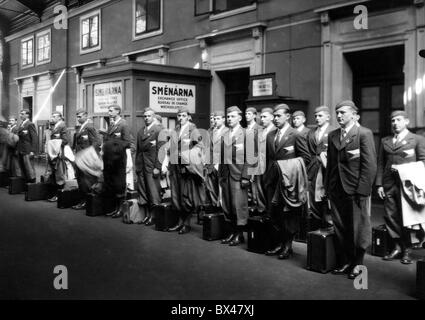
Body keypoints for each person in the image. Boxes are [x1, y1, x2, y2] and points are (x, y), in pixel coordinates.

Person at [325, 100, 377, 279]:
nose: (339, 116)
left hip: (355, 189)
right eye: (337, 112)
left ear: (354, 114)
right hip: (336, 188)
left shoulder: (363, 134)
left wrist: (363, 190)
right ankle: (347, 261)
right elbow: (331, 165)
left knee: (358, 227)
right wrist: (327, 188)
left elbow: (369, 165)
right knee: (340, 226)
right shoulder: (332, 136)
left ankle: (358, 263)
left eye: (343, 112)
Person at [376, 110, 425, 264]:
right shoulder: (386, 141)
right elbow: (380, 164)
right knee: (391, 216)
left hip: (409, 186)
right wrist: (379, 185)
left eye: (398, 120)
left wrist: (405, 170)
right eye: (393, 121)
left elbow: (423, 162)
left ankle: (408, 250)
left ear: (406, 121)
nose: (395, 123)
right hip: (389, 184)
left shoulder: (417, 139)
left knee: (408, 217)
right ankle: (397, 247)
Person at [264, 104, 310, 259]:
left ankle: (288, 246)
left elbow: (306, 158)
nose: (275, 119)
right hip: (272, 180)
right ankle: (278, 244)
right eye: (274, 116)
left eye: (278, 116)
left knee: (288, 215)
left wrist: (288, 168)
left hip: (288, 182)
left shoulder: (296, 135)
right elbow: (267, 158)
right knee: (274, 213)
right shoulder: (270, 135)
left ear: (288, 116)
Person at [167, 106, 206, 234]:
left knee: (185, 196)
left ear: (188, 116)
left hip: (186, 168)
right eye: (179, 116)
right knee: (176, 195)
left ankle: (187, 223)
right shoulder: (176, 130)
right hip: (175, 167)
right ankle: (179, 222)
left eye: (184, 115)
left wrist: (185, 154)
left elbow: (200, 147)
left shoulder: (193, 130)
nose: (181, 118)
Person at [219, 106, 250, 246]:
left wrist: (246, 177)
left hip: (238, 175)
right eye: (228, 117)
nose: (230, 119)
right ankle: (232, 232)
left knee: (238, 205)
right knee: (228, 205)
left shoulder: (246, 133)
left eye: (232, 116)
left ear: (240, 117)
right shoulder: (225, 134)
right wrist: (220, 175)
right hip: (226, 175)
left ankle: (239, 234)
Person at [306, 106, 335, 228]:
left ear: (328, 117)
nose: (317, 118)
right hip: (313, 168)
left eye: (320, 116)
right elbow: (308, 150)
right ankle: (317, 230)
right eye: (316, 116)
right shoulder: (311, 132)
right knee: (313, 199)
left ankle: (329, 227)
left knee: (327, 199)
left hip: (327, 169)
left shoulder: (334, 131)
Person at [102, 104, 134, 218]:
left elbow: (127, 142)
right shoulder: (111, 124)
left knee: (119, 184)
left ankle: (120, 209)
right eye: (108, 110)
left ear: (118, 112)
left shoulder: (123, 124)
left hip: (118, 159)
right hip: (109, 159)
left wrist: (113, 148)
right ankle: (115, 208)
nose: (109, 113)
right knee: (111, 184)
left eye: (111, 111)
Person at [135, 108, 163, 226]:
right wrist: (136, 165)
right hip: (141, 166)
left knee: (153, 192)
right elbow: (137, 150)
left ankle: (154, 216)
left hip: (151, 166)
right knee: (143, 192)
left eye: (149, 116)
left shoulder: (158, 130)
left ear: (153, 117)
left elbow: (161, 150)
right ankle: (147, 215)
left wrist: (158, 167)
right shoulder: (141, 131)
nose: (146, 118)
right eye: (145, 116)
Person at [72, 109, 100, 210]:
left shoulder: (89, 127)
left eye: (80, 116)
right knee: (80, 179)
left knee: (86, 181)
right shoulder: (81, 127)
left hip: (86, 159)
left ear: (85, 116)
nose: (78, 119)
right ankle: (83, 200)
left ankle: (87, 202)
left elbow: (96, 143)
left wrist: (89, 156)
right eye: (77, 117)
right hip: (80, 158)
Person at [250, 107, 275, 215]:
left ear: (272, 117)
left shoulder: (275, 131)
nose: (262, 119)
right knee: (259, 190)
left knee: (269, 191)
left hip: (270, 166)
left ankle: (270, 214)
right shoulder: (260, 131)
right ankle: (262, 212)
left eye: (265, 117)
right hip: (259, 165)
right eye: (261, 117)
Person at [205, 110, 228, 209]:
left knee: (221, 188)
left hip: (221, 163)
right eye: (215, 119)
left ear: (223, 119)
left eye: (218, 118)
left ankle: (222, 209)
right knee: (211, 187)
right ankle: (215, 207)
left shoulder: (227, 131)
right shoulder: (211, 132)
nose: (215, 120)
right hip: (211, 163)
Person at [46, 111, 69, 202]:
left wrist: (54, 144)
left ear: (60, 117)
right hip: (53, 154)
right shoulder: (54, 126)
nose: (52, 118)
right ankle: (55, 194)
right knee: (54, 174)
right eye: (52, 116)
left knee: (59, 174)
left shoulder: (62, 126)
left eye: (55, 116)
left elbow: (65, 140)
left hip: (58, 154)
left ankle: (59, 195)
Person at [245, 107, 260, 213]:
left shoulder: (258, 129)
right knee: (247, 189)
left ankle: (256, 210)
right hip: (245, 162)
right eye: (246, 113)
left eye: (249, 113)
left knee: (255, 189)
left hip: (254, 162)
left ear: (255, 115)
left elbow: (258, 149)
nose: (247, 115)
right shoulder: (244, 129)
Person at [16, 109, 37, 183]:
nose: (20, 115)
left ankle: (32, 184)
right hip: (21, 149)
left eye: (22, 114)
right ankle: (25, 184)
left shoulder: (30, 124)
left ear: (27, 115)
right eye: (20, 114)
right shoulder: (21, 124)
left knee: (29, 168)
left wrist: (32, 150)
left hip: (27, 150)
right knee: (23, 168)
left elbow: (34, 138)